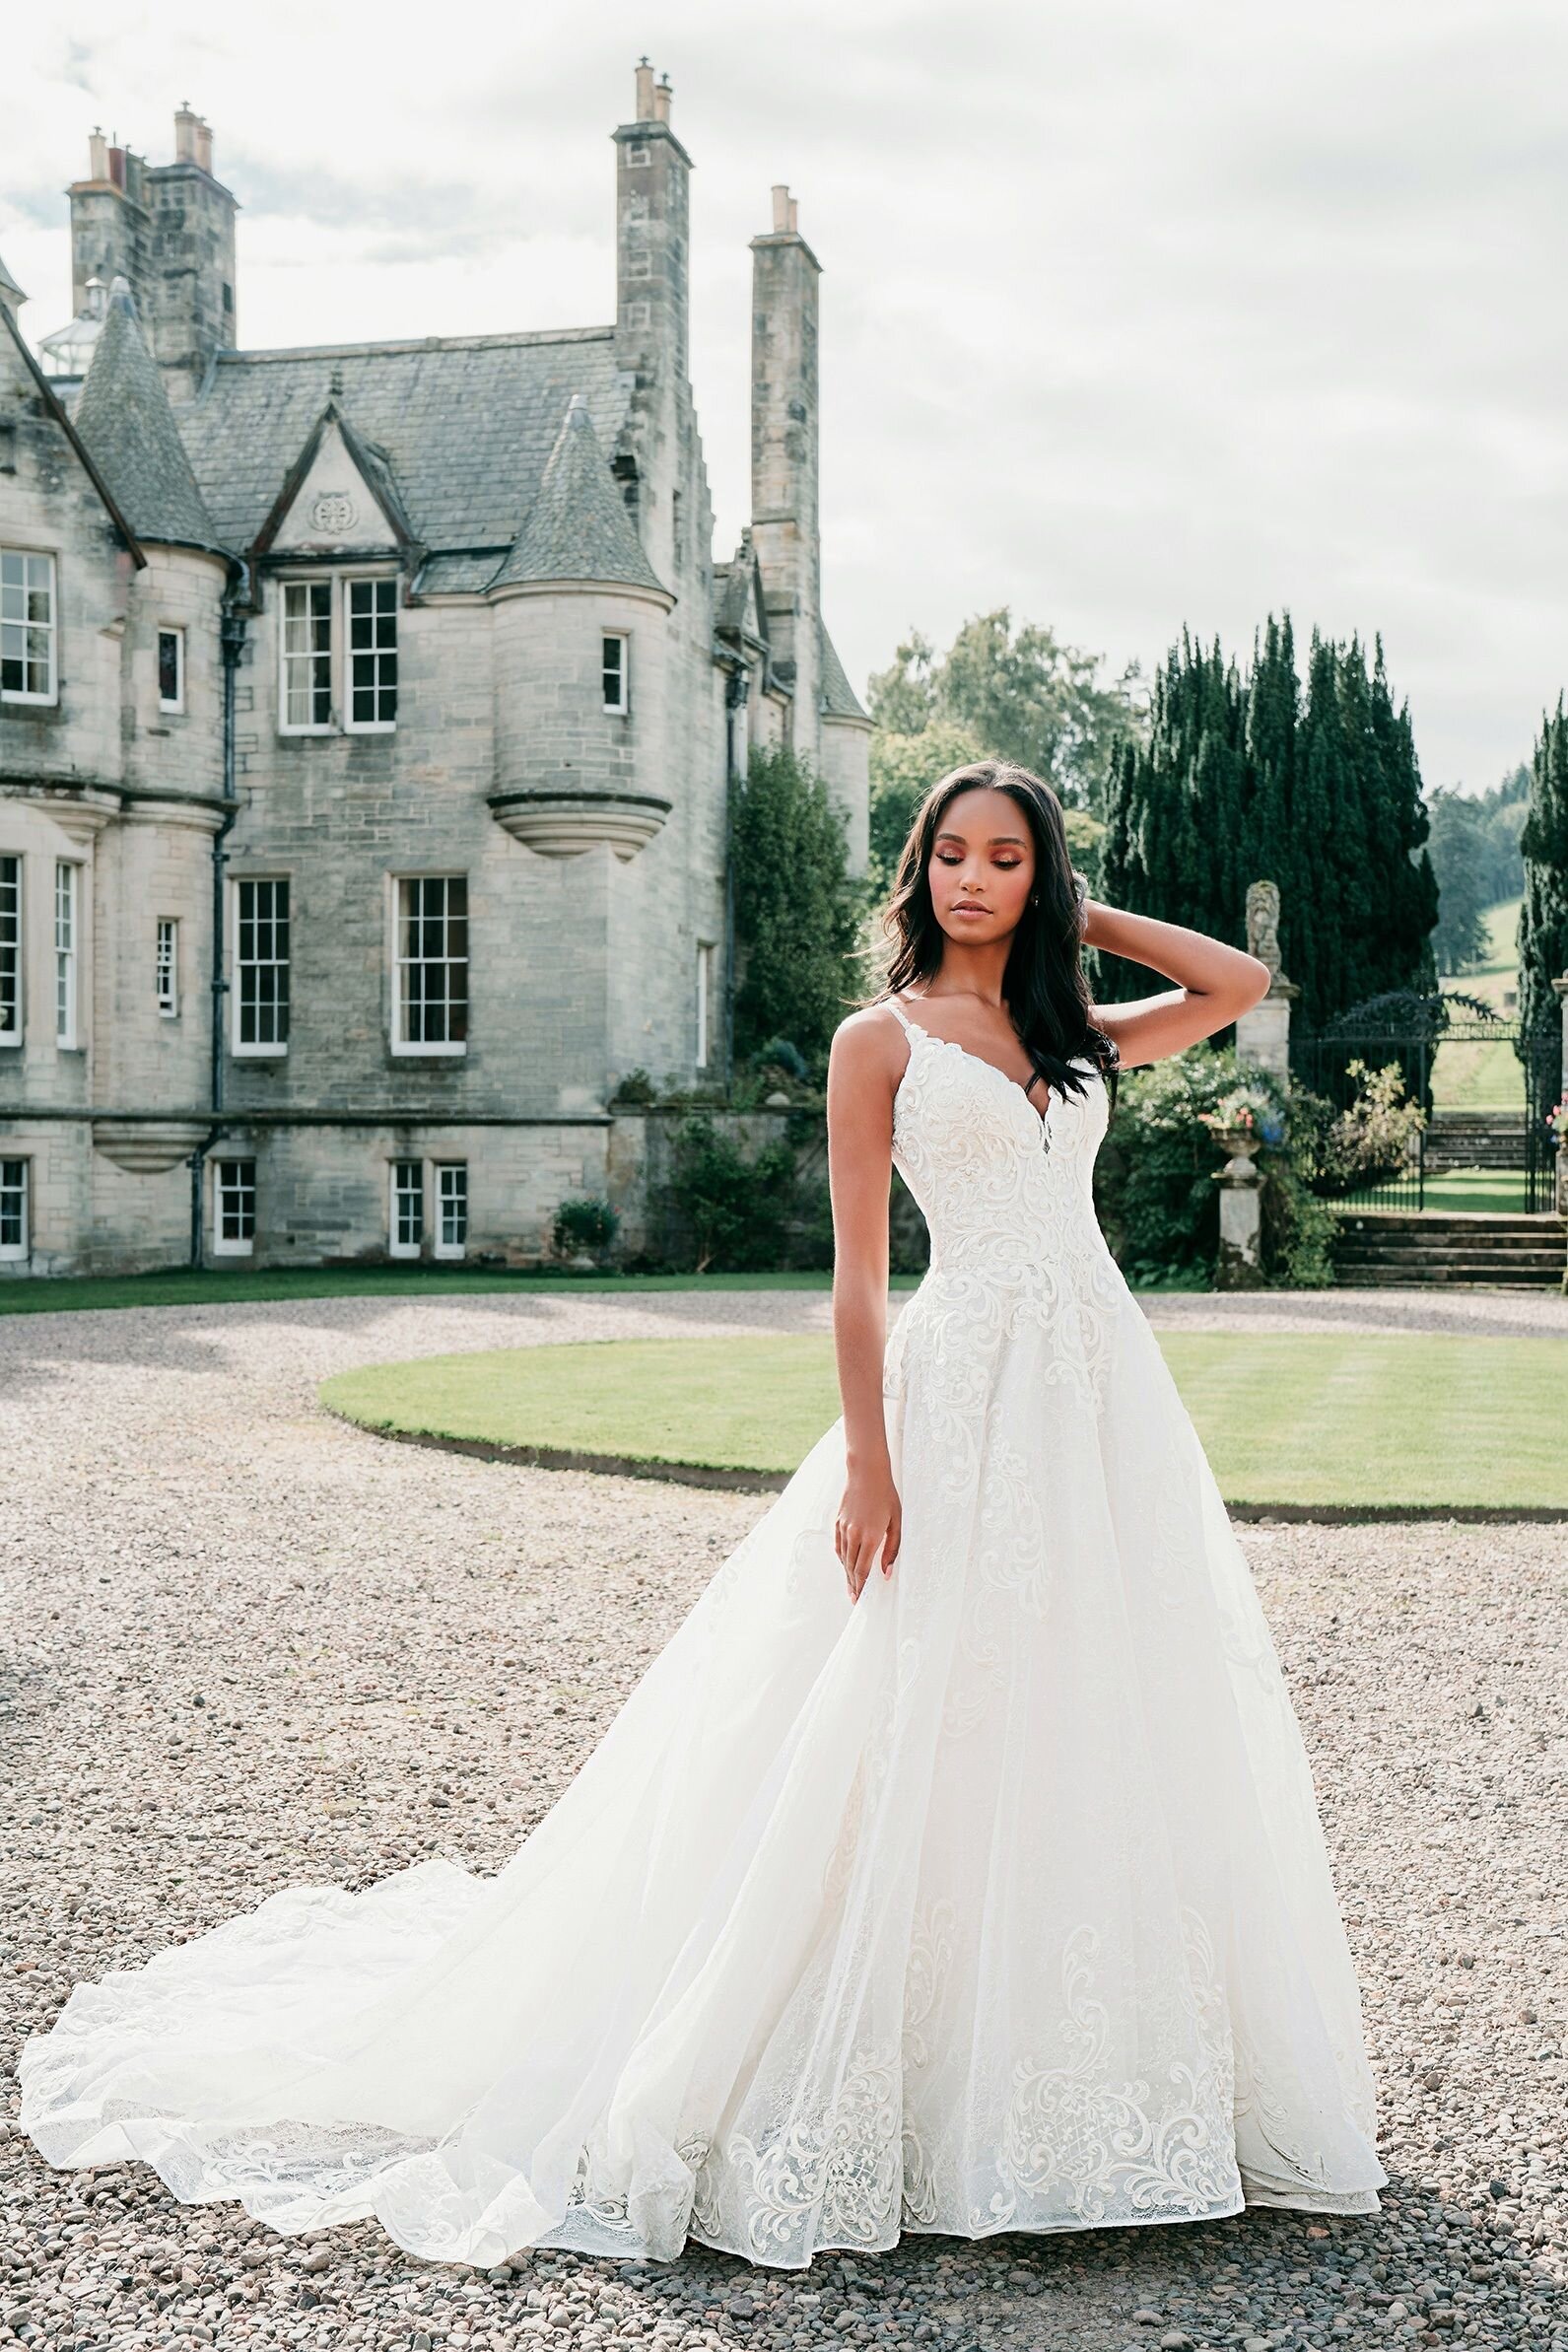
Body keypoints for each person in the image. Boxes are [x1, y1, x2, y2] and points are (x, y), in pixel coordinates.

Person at [19, 758, 1386, 2269]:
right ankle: (869, 2055)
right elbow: (859, 1277)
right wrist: (871, 1464)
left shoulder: (1078, 1045)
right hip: (960, 1385)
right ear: (920, 872)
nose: (975, 879)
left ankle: (1080, 2069)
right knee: (907, 1699)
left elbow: (1239, 978)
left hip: (1094, 1393)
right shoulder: (885, 1041)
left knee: (1077, 1698)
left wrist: (1081, 909)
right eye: (952, 854)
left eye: (1007, 858)